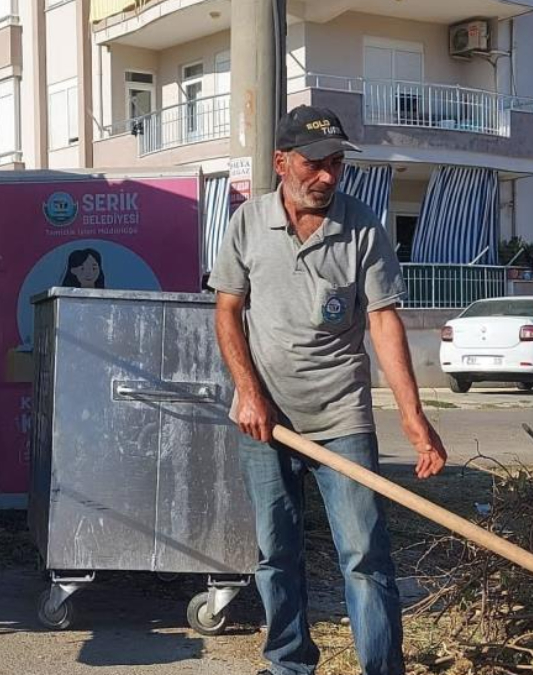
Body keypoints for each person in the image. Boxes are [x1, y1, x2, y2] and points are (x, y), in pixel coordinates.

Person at [208, 105, 449, 675]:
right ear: (281, 162)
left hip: (342, 416)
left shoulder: (363, 226)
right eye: (314, 163)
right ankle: (289, 664)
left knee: (366, 554)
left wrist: (414, 420)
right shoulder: (246, 223)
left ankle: (381, 669)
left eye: (336, 164)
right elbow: (226, 312)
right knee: (276, 554)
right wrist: (247, 392)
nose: (326, 176)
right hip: (264, 419)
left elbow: (383, 322)